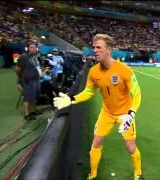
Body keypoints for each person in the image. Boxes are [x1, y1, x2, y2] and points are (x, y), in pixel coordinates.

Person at [53, 34, 144, 180]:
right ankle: (93, 174)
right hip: (107, 113)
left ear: (108, 50)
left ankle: (138, 174)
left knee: (130, 147)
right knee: (96, 143)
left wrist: (130, 114)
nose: (95, 50)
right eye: (94, 47)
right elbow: (88, 92)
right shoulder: (93, 71)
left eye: (98, 47)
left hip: (125, 114)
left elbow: (137, 94)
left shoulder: (124, 70)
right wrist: (72, 99)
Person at [15, 41, 44, 120]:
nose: (34, 49)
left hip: (36, 80)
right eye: (31, 47)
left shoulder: (34, 57)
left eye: (35, 47)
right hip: (28, 81)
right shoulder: (24, 57)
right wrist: (20, 80)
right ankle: (27, 114)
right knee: (27, 97)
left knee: (34, 96)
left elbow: (37, 67)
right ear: (27, 48)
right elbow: (17, 69)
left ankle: (34, 110)